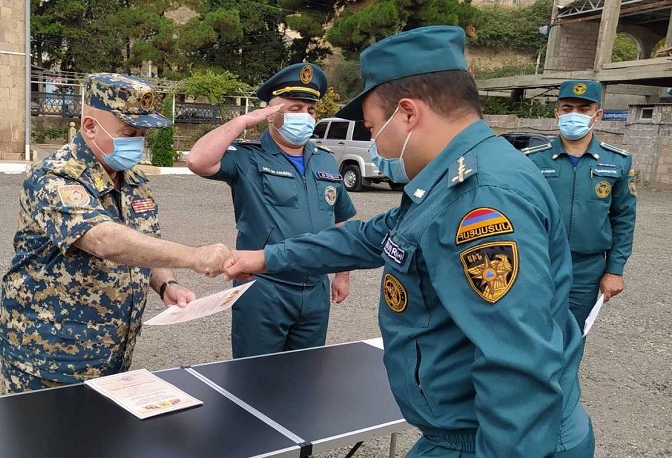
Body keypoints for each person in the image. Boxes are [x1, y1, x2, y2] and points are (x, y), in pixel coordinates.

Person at [225, 27, 594, 457]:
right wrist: (263, 258)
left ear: (407, 113)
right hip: (462, 433)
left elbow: (518, 365)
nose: (374, 141)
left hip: (489, 443)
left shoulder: (482, 198)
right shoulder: (452, 179)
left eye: (372, 127)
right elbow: (367, 238)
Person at [0, 73, 232, 393]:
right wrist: (194, 256)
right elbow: (104, 240)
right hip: (49, 359)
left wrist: (166, 284)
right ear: (90, 126)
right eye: (129, 133)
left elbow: (146, 243)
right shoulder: (54, 176)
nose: (138, 142)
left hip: (111, 356)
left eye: (143, 134)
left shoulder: (131, 178)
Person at [187, 63, 357, 358]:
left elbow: (340, 219)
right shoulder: (248, 157)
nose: (305, 117)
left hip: (314, 290)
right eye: (295, 109)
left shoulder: (325, 160)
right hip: (264, 288)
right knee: (256, 376)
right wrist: (243, 121)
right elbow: (197, 161)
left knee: (306, 374)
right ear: (270, 114)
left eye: (310, 110)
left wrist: (342, 274)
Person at [523, 80, 636, 333]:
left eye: (584, 109)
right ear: (557, 112)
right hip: (538, 262)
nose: (574, 114)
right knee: (531, 333)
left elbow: (624, 218)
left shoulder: (617, 161)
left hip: (586, 269)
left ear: (598, 114)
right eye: (567, 108)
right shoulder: (532, 159)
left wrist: (615, 270)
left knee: (573, 335)